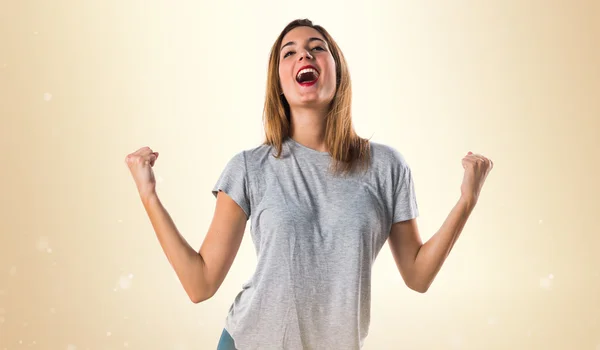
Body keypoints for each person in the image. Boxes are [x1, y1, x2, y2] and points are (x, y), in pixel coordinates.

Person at [125, 18, 493, 350]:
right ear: (280, 84)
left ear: (338, 69)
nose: (305, 55)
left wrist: (466, 201)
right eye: (290, 52)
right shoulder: (249, 168)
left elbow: (417, 275)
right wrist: (149, 195)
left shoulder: (386, 166)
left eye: (318, 47)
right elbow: (200, 284)